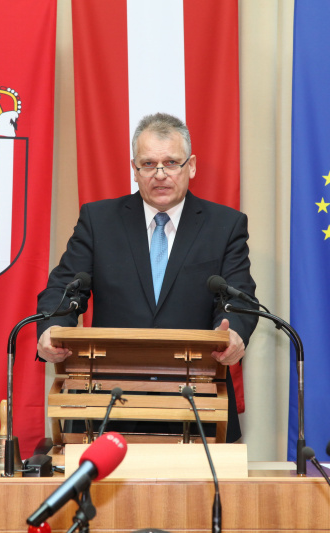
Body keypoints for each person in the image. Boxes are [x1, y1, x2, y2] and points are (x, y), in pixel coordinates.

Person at [36, 112, 258, 442]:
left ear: (191, 166)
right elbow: (64, 285)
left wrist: (234, 334)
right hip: (107, 404)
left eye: (171, 163)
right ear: (134, 170)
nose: (160, 174)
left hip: (196, 402)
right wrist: (53, 328)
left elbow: (239, 297)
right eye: (148, 164)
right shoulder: (99, 221)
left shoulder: (224, 225)